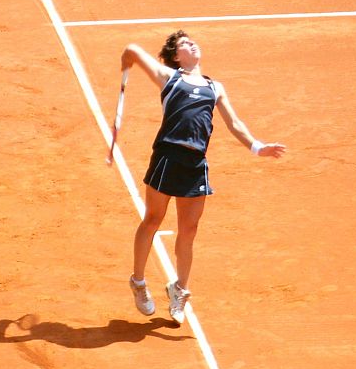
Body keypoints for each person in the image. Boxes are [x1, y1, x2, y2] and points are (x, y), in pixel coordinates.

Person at [121, 30, 286, 325]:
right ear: (175, 57)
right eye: (184, 44)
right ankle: (138, 282)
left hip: (195, 164)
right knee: (153, 220)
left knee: (190, 229)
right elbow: (132, 49)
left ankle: (180, 289)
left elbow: (233, 122)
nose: (192, 44)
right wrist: (127, 61)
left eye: (192, 41)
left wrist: (257, 147)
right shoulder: (168, 77)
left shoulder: (214, 86)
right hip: (167, 159)